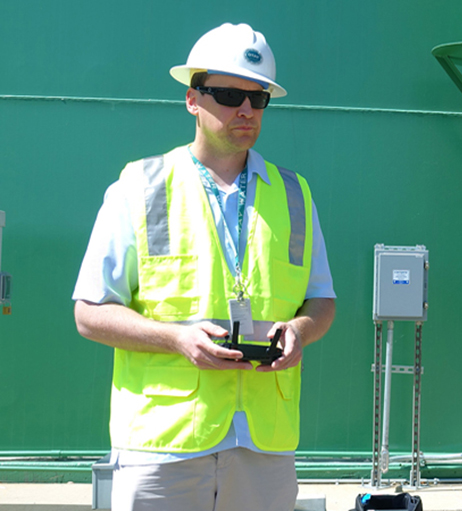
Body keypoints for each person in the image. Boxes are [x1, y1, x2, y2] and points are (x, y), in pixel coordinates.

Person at [73, 23, 336, 511]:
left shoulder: (294, 194)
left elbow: (322, 300)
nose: (245, 109)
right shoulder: (140, 185)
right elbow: (89, 311)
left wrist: (301, 329)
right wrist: (177, 338)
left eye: (259, 99)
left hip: (265, 445)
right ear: (193, 99)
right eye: (230, 94)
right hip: (163, 444)